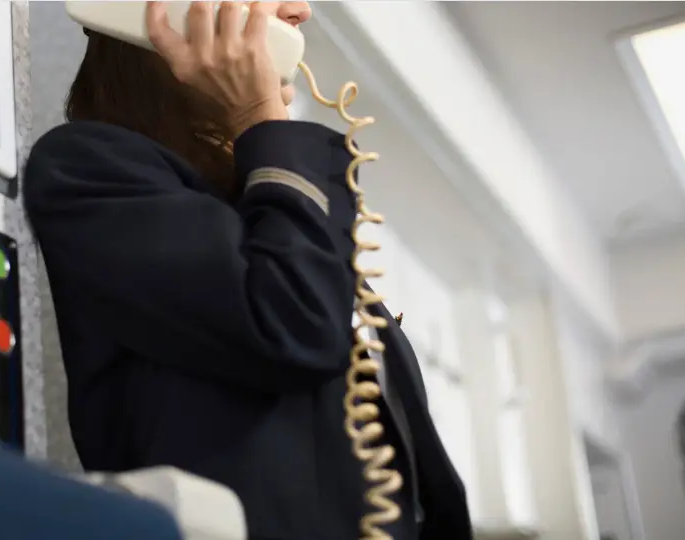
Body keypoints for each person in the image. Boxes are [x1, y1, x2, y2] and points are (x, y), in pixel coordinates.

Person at [23, 2, 472, 539]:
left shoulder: (272, 206)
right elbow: (291, 322)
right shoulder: (89, 168)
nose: (301, 11)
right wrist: (262, 119)